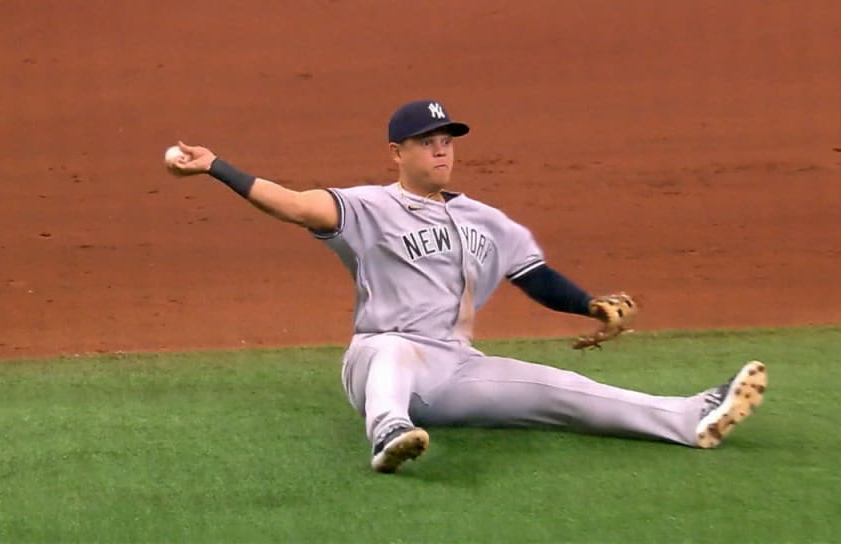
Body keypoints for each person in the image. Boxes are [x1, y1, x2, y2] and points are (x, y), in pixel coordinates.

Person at [164, 99, 768, 473]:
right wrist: (217, 166)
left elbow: (535, 277)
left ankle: (689, 418)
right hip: (379, 361)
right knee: (394, 347)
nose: (441, 149)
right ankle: (388, 432)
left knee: (563, 389)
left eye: (447, 140)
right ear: (396, 152)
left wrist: (588, 304)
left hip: (455, 371)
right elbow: (294, 205)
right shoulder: (368, 206)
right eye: (428, 142)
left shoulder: (484, 219)